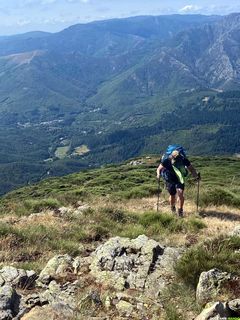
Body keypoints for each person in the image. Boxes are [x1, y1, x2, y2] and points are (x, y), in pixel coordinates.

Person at [156, 148, 199, 217]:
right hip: (170, 179)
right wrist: (158, 175)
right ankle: (172, 208)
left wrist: (196, 176)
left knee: (180, 193)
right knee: (172, 195)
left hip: (180, 178)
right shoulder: (167, 160)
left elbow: (191, 169)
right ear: (172, 157)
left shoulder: (183, 159)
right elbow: (159, 168)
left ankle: (180, 211)